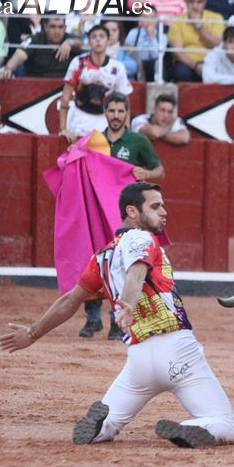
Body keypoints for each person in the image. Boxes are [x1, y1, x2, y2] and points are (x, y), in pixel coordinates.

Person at [0, 182, 234, 448]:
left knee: (110, 422)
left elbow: (69, 301)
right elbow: (137, 269)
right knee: (224, 423)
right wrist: (127, 303)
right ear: (132, 212)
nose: (164, 212)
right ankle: (190, 427)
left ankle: (102, 427)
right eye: (155, 206)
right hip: (177, 350)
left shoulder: (101, 257)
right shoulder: (141, 238)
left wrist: (32, 333)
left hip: (138, 361)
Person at [78, 92, 166, 340]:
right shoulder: (94, 141)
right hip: (97, 211)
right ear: (105, 112)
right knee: (94, 259)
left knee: (119, 266)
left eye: (120, 111)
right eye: (111, 111)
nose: (115, 116)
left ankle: (116, 321)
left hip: (125, 218)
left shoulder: (138, 141)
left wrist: (145, 173)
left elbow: (160, 172)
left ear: (127, 113)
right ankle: (92, 318)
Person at [58, 25, 134, 144]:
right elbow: (65, 97)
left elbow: (125, 102)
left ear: (108, 41)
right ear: (88, 42)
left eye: (102, 36)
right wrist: (63, 128)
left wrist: (126, 132)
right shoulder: (78, 63)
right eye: (94, 37)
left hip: (105, 121)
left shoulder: (117, 67)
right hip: (79, 119)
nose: (98, 40)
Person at [168, 0, 226, 82]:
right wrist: (195, 65)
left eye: (199, 2)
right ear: (185, 2)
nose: (195, 5)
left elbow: (216, 45)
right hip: (188, 63)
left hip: (212, 61)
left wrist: (198, 26)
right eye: (191, 1)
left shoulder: (216, 18)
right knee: (181, 73)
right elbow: (178, 52)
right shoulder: (177, 21)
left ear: (205, 2)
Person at [0, 16, 84, 79]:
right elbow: (19, 55)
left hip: (63, 87)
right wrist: (8, 69)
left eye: (60, 27)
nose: (57, 31)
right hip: (35, 86)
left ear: (65, 28)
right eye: (53, 26)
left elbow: (83, 45)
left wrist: (70, 42)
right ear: (45, 27)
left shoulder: (70, 39)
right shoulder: (35, 39)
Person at [125, 8, 165, 83]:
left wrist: (152, 37)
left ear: (157, 19)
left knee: (157, 65)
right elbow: (127, 52)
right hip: (137, 65)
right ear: (140, 19)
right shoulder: (133, 33)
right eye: (145, 17)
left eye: (152, 18)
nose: (149, 21)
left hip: (153, 67)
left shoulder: (162, 36)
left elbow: (157, 56)